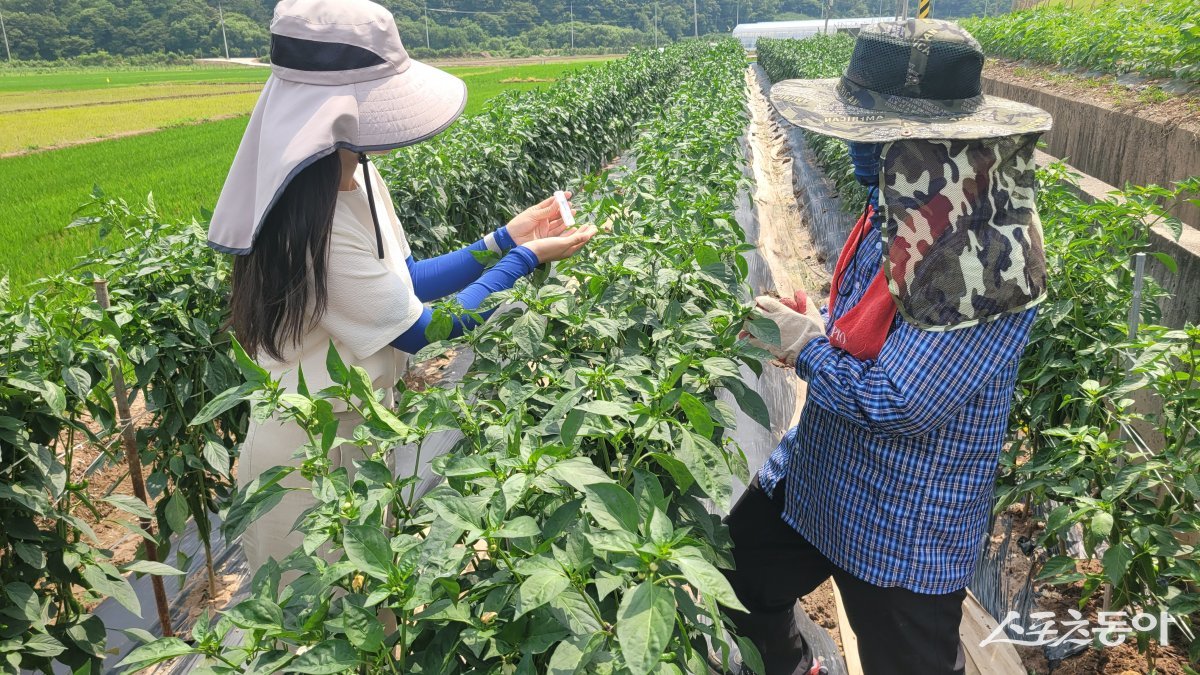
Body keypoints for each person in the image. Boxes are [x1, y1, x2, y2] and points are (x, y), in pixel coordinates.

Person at [206, 0, 595, 573]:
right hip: (308, 455)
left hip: (357, 429)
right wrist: (527, 259)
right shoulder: (313, 224)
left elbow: (406, 281)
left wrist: (503, 238)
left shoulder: (356, 176)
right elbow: (425, 329)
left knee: (371, 610)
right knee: (324, 624)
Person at [727, 19, 1053, 675]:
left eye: (873, 135)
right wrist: (817, 324)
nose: (856, 149)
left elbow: (897, 400)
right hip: (825, 477)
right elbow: (874, 333)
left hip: (901, 529)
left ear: (938, 140)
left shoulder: (985, 258)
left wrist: (806, 349)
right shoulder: (910, 207)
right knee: (741, 566)